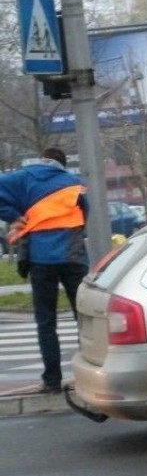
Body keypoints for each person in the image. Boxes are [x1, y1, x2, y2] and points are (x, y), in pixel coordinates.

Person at [0, 148, 89, 394]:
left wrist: (13, 216)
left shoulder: (23, 178)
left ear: (42, 160)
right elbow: (84, 215)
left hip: (41, 259)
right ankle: (88, 377)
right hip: (73, 258)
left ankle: (52, 381)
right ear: (62, 164)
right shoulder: (72, 183)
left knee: (46, 322)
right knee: (84, 318)